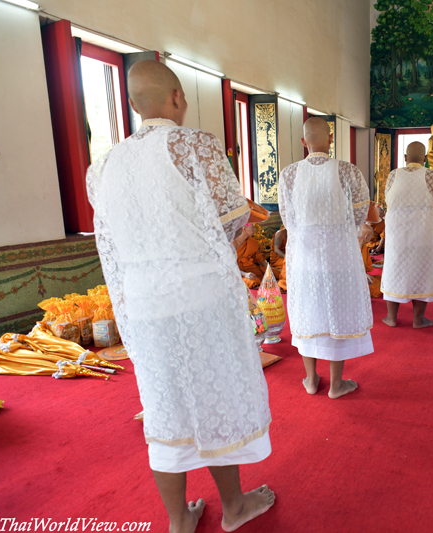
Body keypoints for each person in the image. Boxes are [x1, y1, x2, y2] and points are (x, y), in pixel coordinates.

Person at [86, 60, 273, 532]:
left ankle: (178, 520)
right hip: (200, 298)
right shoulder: (195, 145)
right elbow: (233, 219)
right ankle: (234, 508)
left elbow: (109, 239)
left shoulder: (102, 167)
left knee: (165, 408)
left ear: (131, 103)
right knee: (212, 403)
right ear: (177, 97)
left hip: (145, 305)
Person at [279, 117, 373, 399]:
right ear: (331, 138)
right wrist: (346, 230)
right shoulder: (348, 171)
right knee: (336, 312)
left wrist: (306, 237)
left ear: (303, 142)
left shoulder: (289, 174)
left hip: (304, 255)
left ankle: (310, 379)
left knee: (309, 312)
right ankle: (336, 384)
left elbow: (287, 217)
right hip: (339, 253)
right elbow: (360, 212)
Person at [381, 142, 433, 328]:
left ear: (405, 158)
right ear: (425, 159)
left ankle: (391, 318)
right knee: (423, 272)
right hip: (424, 234)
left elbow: (388, 200)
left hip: (397, 235)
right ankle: (418, 320)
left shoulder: (394, 175)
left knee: (395, 271)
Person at [234, 224, 277, 288]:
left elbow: (259, 259)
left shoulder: (253, 242)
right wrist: (245, 274)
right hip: (237, 271)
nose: (254, 230)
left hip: (250, 268)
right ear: (244, 229)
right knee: (253, 282)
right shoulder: (232, 243)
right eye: (252, 227)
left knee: (275, 273)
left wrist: (269, 269)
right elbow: (229, 266)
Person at [359, 224, 383, 298]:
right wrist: (363, 275)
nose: (371, 237)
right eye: (371, 236)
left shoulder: (364, 246)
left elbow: (367, 266)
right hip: (354, 278)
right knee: (376, 290)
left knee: (381, 280)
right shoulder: (353, 248)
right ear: (366, 237)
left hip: (362, 275)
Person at [270, 227, 287, 292]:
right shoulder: (280, 233)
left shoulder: (295, 232)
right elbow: (276, 250)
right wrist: (287, 258)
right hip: (278, 258)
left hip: (287, 256)